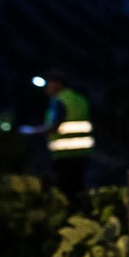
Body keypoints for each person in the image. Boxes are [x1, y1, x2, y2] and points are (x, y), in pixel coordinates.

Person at [22, 68, 95, 197]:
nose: (46, 88)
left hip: (65, 154)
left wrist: (31, 131)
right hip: (83, 152)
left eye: (48, 84)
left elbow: (54, 126)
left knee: (66, 189)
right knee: (79, 187)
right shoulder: (79, 98)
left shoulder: (60, 100)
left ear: (58, 84)